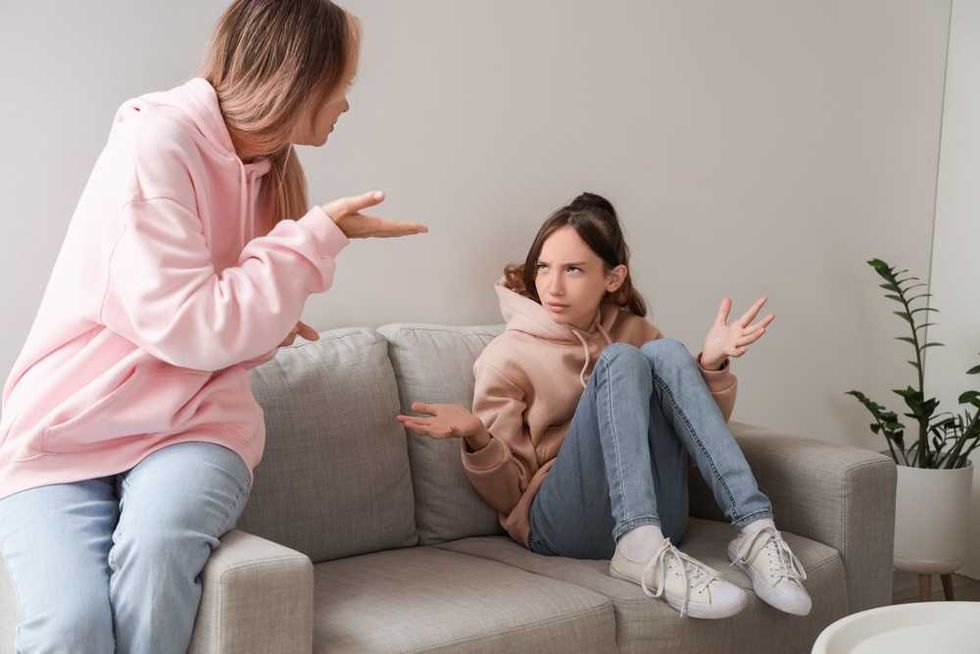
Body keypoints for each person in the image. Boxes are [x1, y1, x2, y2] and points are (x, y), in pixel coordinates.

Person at [0, 1, 426, 651]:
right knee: (71, 625)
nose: (346, 104)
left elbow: (218, 326)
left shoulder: (275, 172)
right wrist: (315, 239)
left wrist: (268, 321)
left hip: (195, 426)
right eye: (342, 84)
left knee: (159, 545)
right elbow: (189, 323)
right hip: (64, 428)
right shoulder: (156, 142)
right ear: (298, 75)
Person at [397, 192, 810, 620]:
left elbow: (696, 434)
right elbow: (507, 496)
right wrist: (476, 437)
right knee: (623, 359)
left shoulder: (636, 331)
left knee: (667, 352)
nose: (552, 286)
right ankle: (637, 544)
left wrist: (710, 365)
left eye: (573, 270)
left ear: (612, 278)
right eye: (544, 267)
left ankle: (755, 529)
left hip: (663, 518)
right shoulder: (507, 356)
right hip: (561, 524)